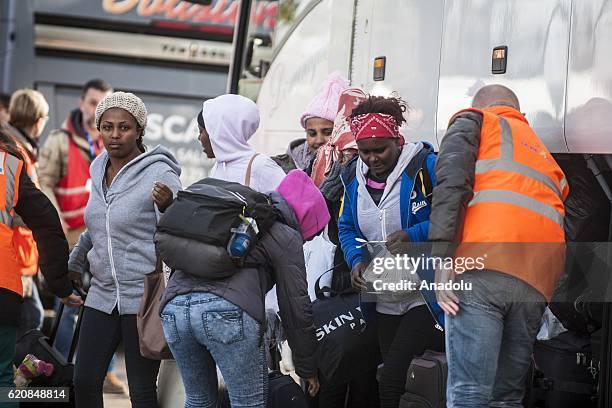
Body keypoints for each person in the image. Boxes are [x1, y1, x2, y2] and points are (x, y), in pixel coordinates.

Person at [428, 84, 568, 407]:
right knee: (506, 398)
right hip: (535, 283)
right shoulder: (544, 155)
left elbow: (451, 186)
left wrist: (442, 261)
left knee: (469, 393)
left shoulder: (476, 121)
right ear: (520, 114)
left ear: (481, 105)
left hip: (482, 268)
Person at [160, 169, 324, 408]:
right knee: (248, 403)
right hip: (225, 313)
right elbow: (295, 308)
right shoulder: (286, 235)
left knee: (198, 401)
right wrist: (308, 367)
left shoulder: (240, 216)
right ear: (305, 219)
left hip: (174, 309)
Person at [67, 91, 182, 408]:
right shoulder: (97, 168)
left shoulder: (160, 173)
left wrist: (169, 205)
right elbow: (98, 224)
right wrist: (75, 261)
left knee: (142, 392)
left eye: (124, 127)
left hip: (142, 297)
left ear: (140, 130)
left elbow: (176, 232)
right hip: (101, 294)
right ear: (99, 128)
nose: (114, 135)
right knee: (84, 381)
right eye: (107, 127)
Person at [338, 95, 445, 408]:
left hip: (423, 294)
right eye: (365, 151)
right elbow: (346, 228)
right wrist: (356, 261)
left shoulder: (426, 167)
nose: (372, 159)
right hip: (383, 299)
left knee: (392, 378)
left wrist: (413, 235)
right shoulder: (352, 180)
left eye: (380, 149)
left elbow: (453, 215)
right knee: (391, 375)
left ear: (397, 140)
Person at [0, 131, 82, 408]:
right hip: (3, 284)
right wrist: (60, 284)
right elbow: (47, 221)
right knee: (3, 383)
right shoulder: (9, 163)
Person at [38, 79, 113, 247]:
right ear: (81, 103)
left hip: (104, 238)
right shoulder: (59, 141)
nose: (97, 111)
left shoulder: (115, 143)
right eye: (93, 103)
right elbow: (44, 182)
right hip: (69, 237)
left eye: (103, 105)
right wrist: (55, 218)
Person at [3, 89, 49, 338]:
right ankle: (13, 377)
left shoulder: (15, 147)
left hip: (16, 252)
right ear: (38, 120)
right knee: (30, 319)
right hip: (15, 254)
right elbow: (19, 206)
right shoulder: (17, 152)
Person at [200, 94, 286, 191]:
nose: (199, 138)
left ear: (220, 132)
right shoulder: (219, 166)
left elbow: (291, 202)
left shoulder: (261, 166)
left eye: (201, 131)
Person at [273, 72, 347, 173]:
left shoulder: (356, 163)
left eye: (328, 132)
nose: (319, 140)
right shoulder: (291, 162)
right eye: (312, 133)